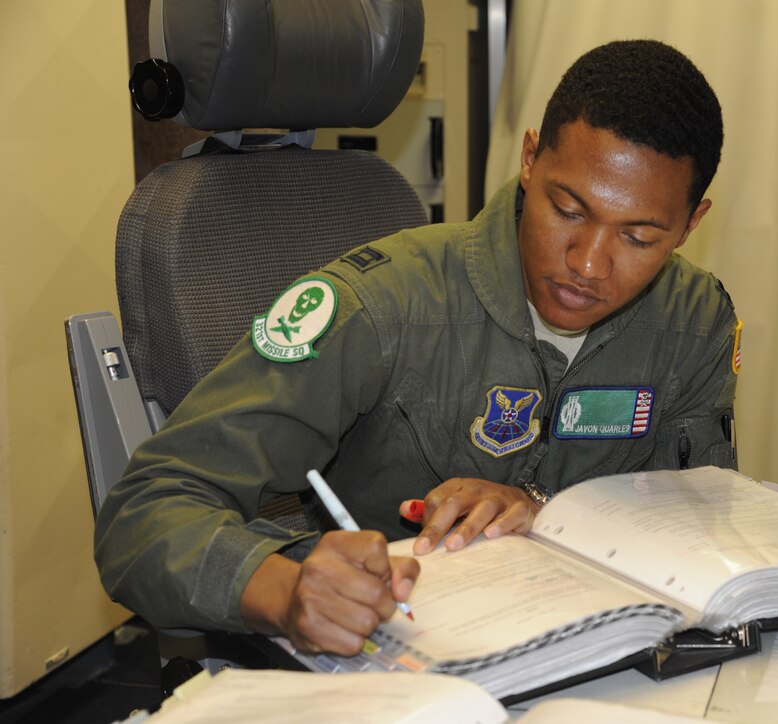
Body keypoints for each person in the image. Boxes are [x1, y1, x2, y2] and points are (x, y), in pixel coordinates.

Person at [94, 39, 740, 659]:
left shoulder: (694, 319)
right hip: (404, 667)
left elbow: (691, 518)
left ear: (691, 224)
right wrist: (285, 590)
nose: (588, 263)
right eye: (568, 208)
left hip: (601, 665)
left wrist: (542, 511)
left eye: (639, 237)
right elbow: (141, 514)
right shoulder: (382, 304)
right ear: (530, 159)